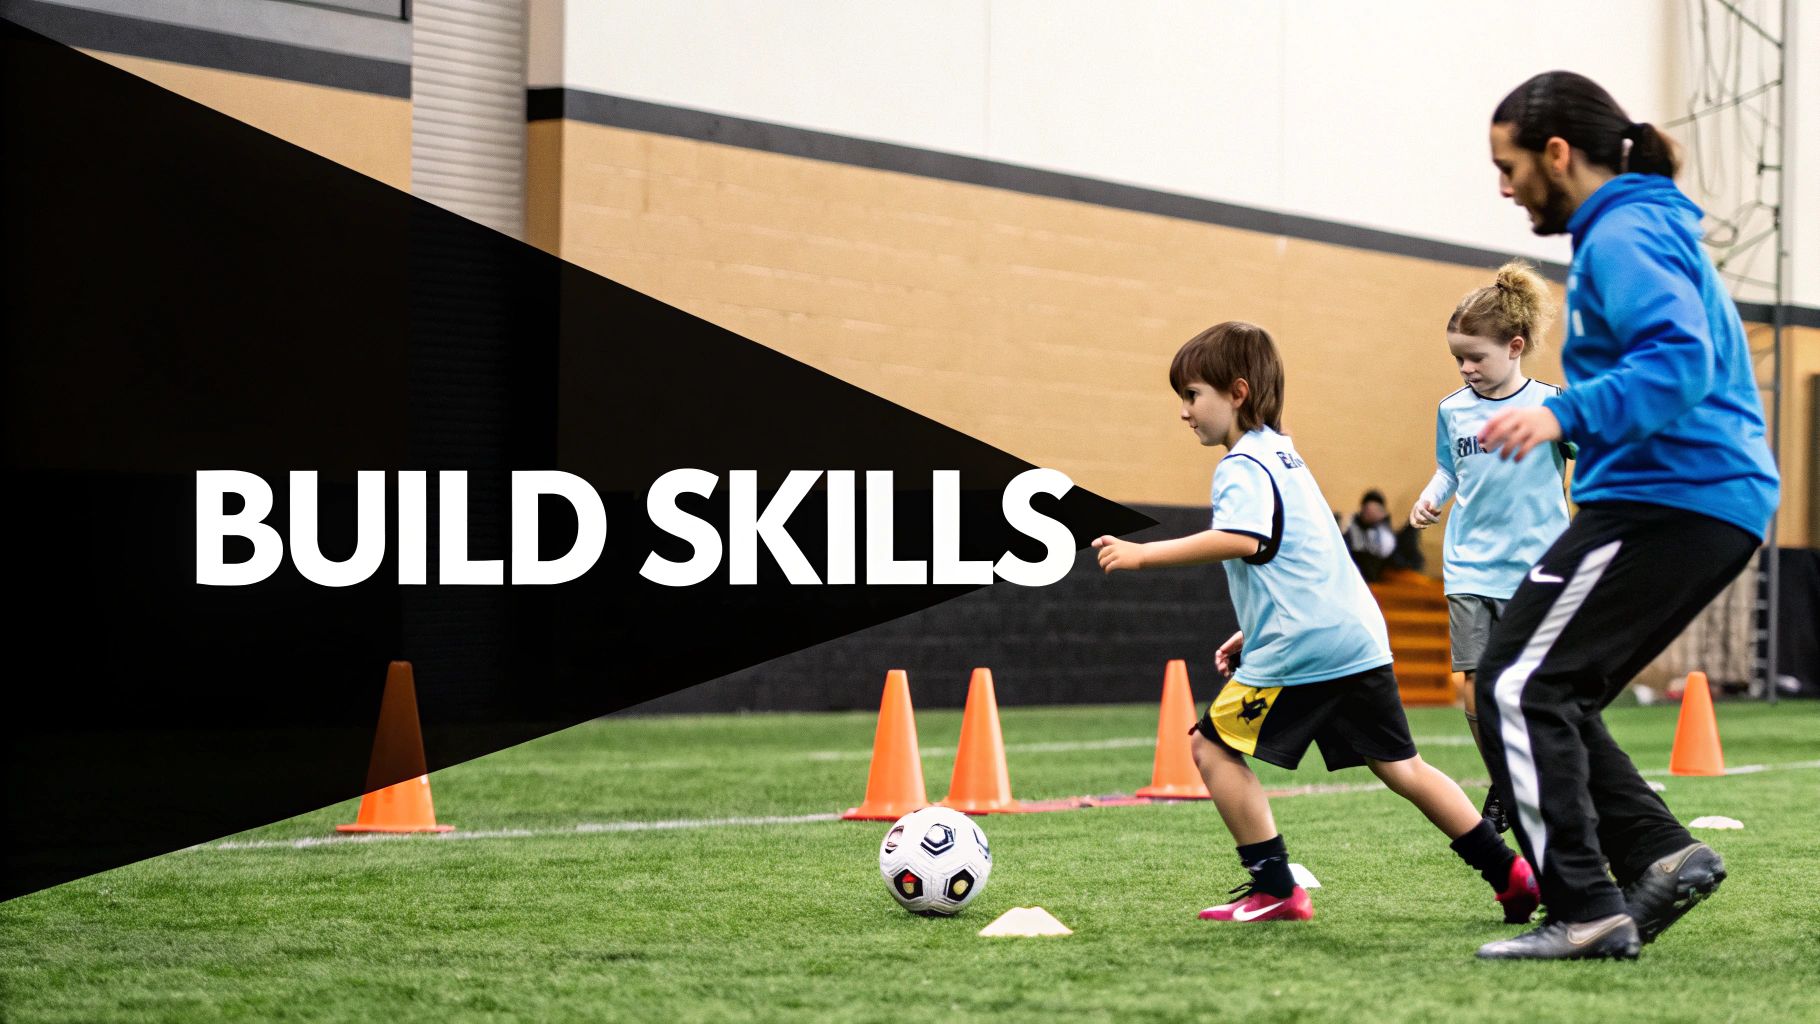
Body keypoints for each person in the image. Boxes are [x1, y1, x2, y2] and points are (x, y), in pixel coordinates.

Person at [1469, 71, 1779, 961]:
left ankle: (1585, 907)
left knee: (1517, 686)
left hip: (1672, 495)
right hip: (1690, 495)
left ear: (1557, 154)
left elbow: (1678, 361)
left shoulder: (1623, 234)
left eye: (1509, 165)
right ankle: (1655, 854)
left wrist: (1562, 413)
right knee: (1549, 683)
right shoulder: (1645, 222)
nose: (1504, 187)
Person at [1093, 321, 1538, 926]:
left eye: (1192, 395)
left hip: (1305, 647)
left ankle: (1275, 887)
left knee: (1211, 748)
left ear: (1238, 392)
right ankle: (1508, 873)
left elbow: (1244, 538)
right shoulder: (1285, 453)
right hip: (1353, 635)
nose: (1184, 411)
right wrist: (1253, 629)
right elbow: (1304, 554)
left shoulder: (1242, 465)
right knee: (1402, 767)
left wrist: (1145, 552)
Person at [1408, 260, 1572, 836]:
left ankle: (1540, 783)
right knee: (1472, 684)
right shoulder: (1453, 409)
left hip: (1538, 569)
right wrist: (1431, 498)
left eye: (1476, 356)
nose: (1466, 367)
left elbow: (1596, 454)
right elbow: (1448, 470)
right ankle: (1502, 781)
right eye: (1458, 357)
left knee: (1529, 686)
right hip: (1469, 569)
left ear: (1516, 346)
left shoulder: (1553, 404)